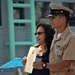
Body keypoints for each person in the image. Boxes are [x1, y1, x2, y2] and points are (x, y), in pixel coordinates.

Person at [43, 3, 75, 75]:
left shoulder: (71, 38)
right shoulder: (55, 36)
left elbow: (66, 63)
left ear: (63, 19)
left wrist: (44, 65)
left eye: (53, 18)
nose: (51, 20)